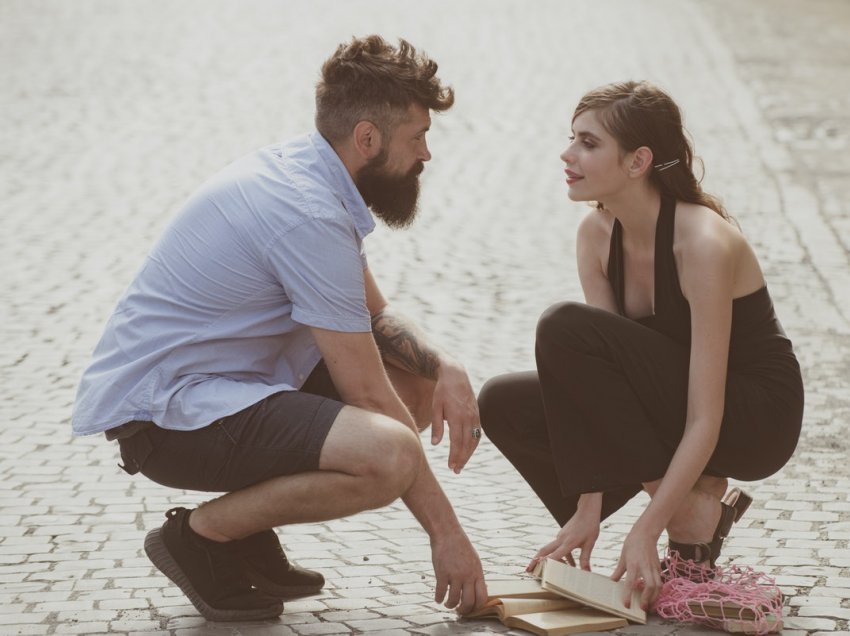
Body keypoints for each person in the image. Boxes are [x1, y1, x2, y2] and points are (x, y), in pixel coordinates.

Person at [71, 35, 487, 622]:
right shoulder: (307, 212)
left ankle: (246, 531)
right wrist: (448, 536)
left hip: (229, 386)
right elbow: (369, 396)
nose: (425, 154)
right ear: (367, 138)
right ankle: (202, 536)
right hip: (164, 418)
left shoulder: (311, 171)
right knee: (388, 454)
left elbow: (374, 318)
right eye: (417, 137)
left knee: (415, 387)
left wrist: (445, 364)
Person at [478, 80, 803, 612]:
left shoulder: (703, 242)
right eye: (571, 139)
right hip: (669, 405)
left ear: (638, 162)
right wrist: (586, 507)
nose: (568, 154)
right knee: (501, 402)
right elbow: (592, 390)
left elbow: (706, 413)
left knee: (563, 324)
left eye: (588, 143)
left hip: (751, 414)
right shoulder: (595, 236)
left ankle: (689, 517)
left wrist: (647, 529)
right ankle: (694, 511)